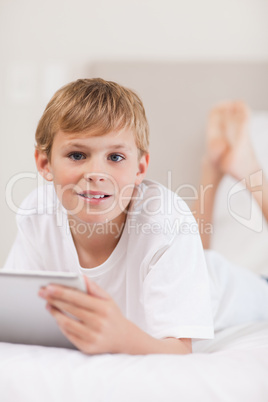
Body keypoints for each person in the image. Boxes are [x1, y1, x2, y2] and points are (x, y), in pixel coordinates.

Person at [3, 78, 214, 355]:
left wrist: (122, 337)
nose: (96, 173)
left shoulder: (166, 221)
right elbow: (15, 317)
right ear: (45, 164)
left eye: (115, 157)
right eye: (77, 154)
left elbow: (180, 351)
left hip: (230, 285)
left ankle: (216, 167)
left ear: (140, 169)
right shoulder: (37, 214)